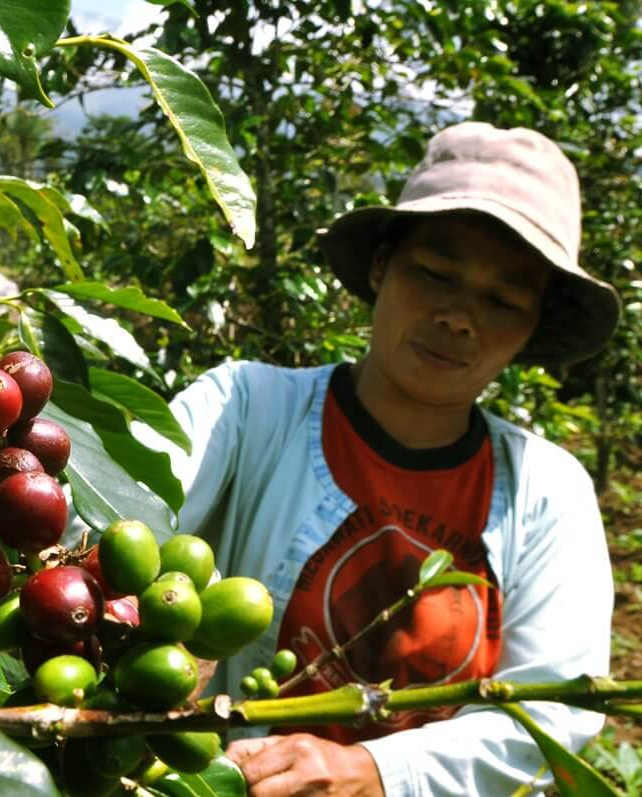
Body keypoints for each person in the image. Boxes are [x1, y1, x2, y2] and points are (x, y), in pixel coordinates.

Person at [137, 121, 622, 795]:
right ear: (380, 266)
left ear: (531, 327)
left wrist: (379, 772)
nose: (458, 317)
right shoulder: (245, 408)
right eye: (436, 273)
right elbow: (121, 512)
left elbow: (551, 709)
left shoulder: (548, 490)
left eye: (503, 300)